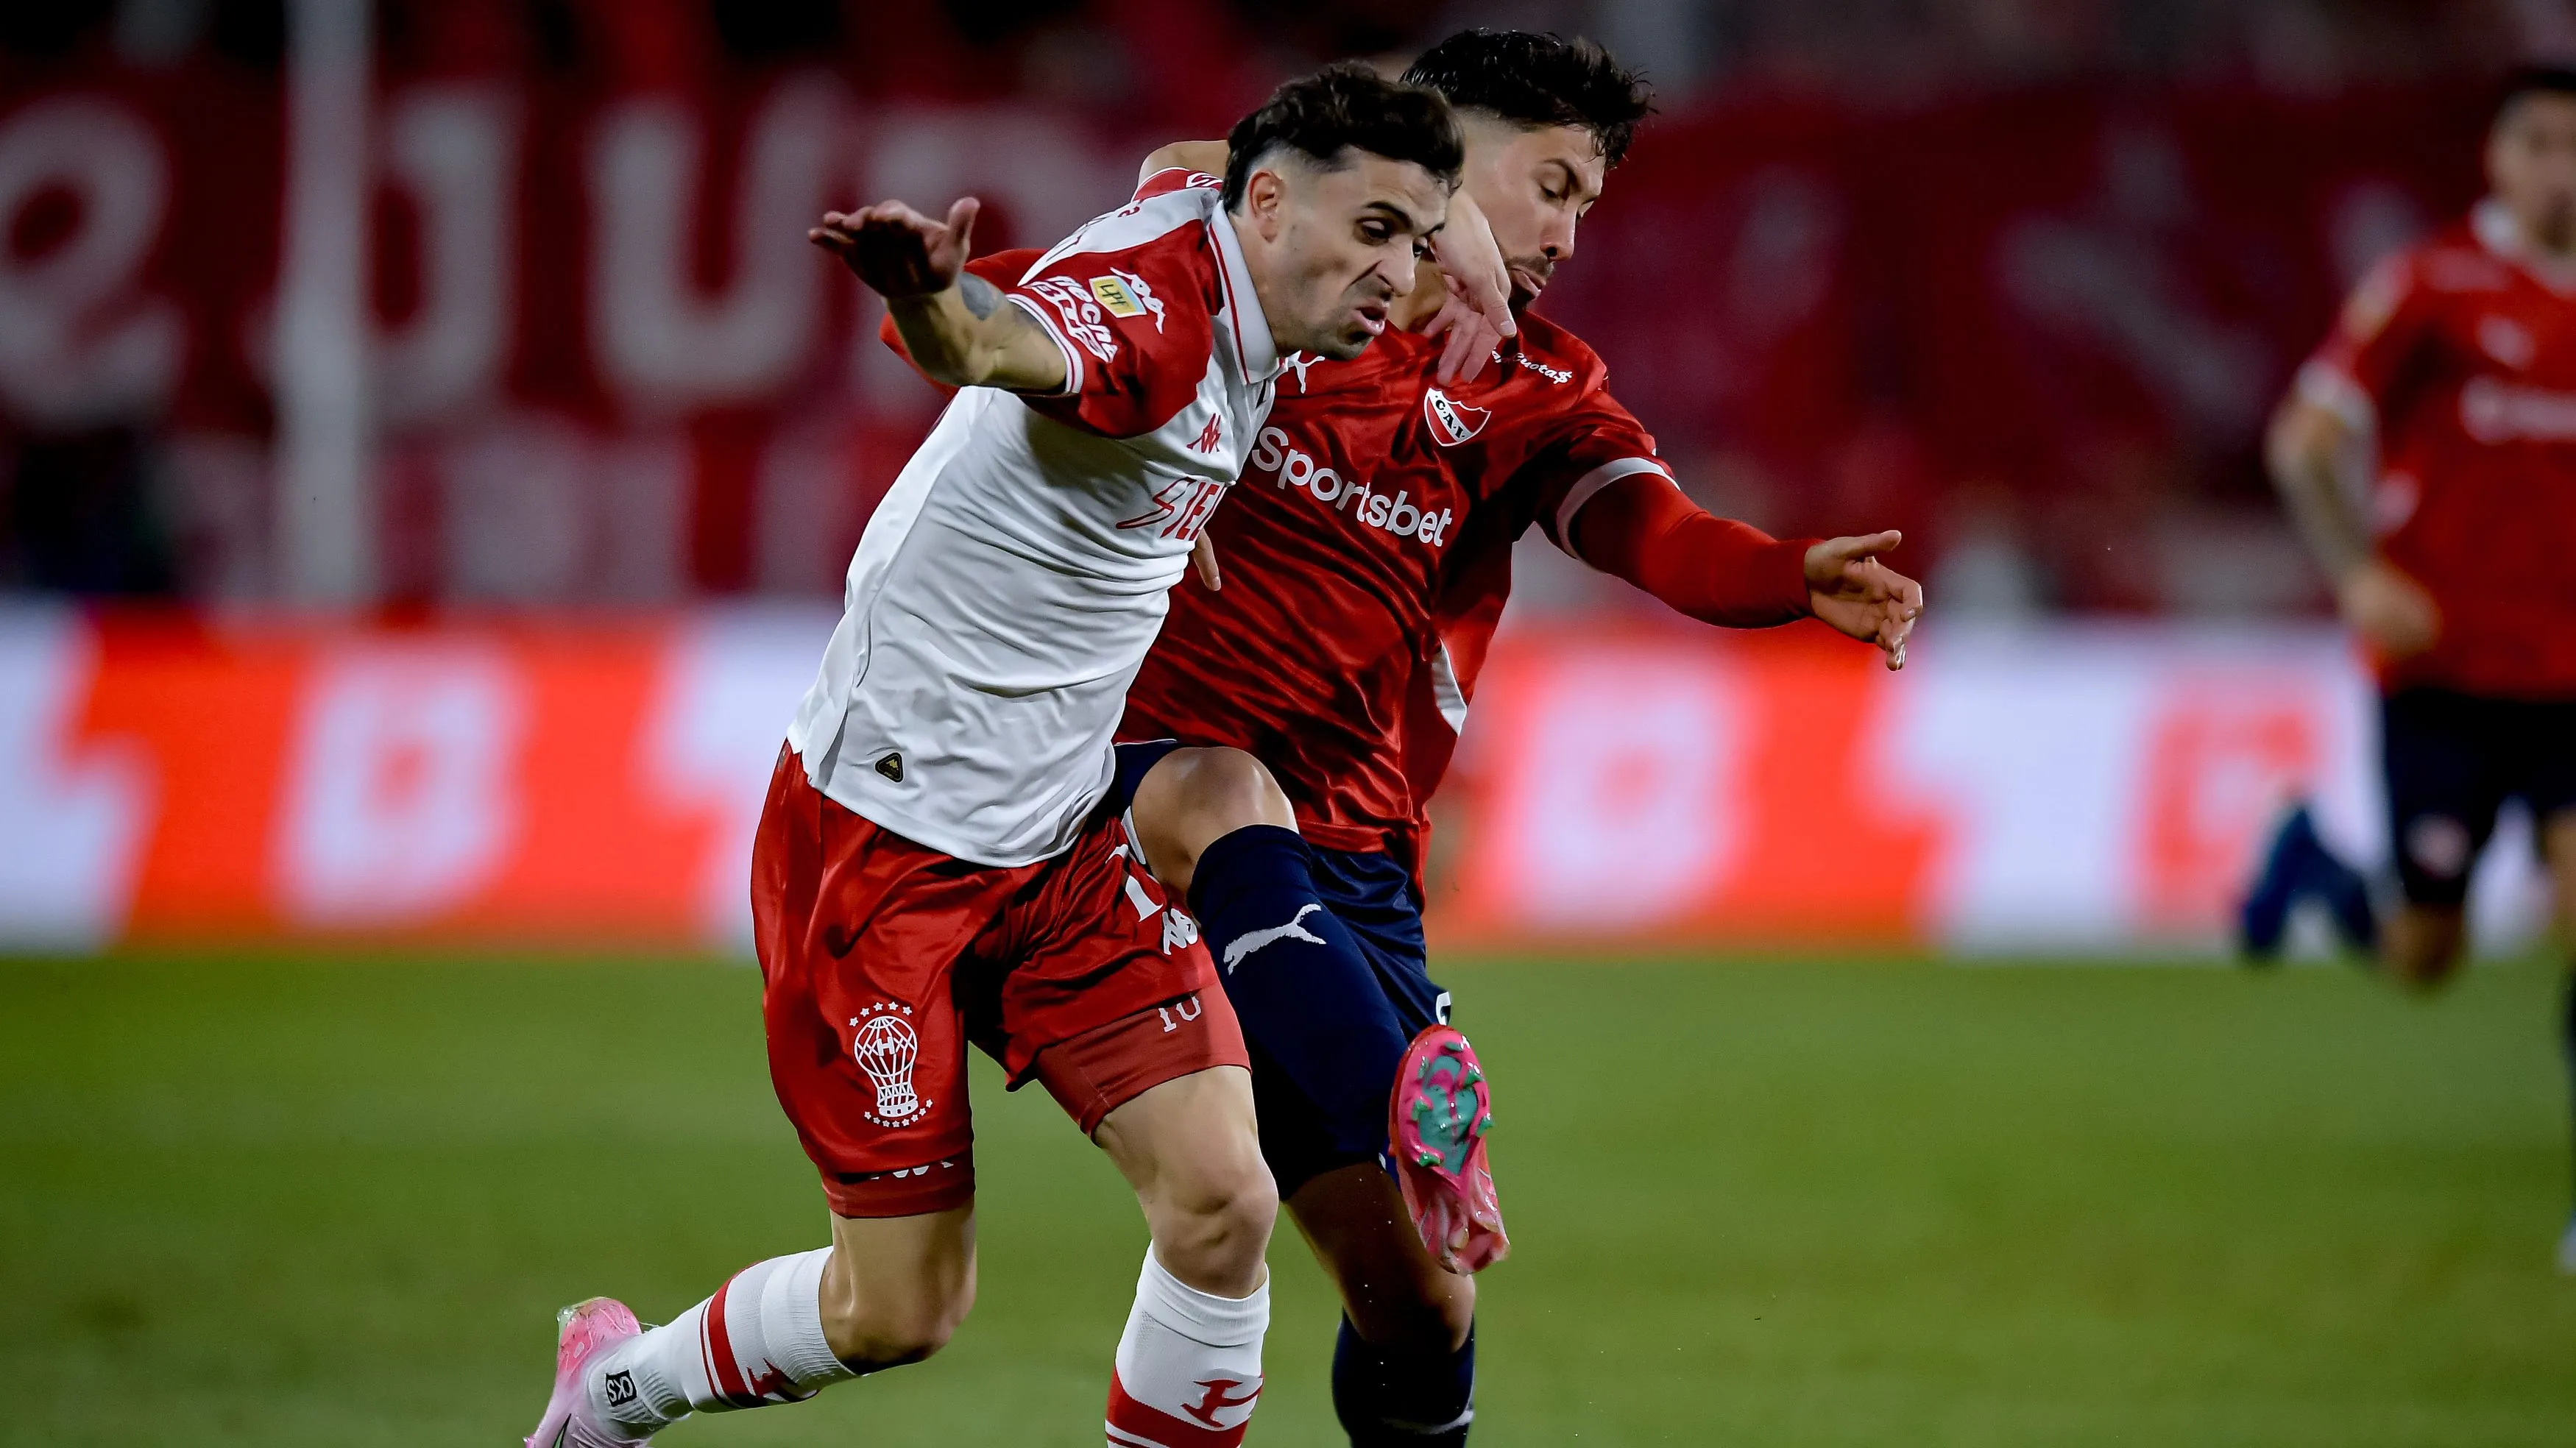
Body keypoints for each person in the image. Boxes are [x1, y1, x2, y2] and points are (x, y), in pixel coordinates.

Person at [905, 30, 1921, 1446]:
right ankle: (1393, 1090)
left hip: (1345, 853)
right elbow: (1188, 175)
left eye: (1587, 205)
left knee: (1421, 1305)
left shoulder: (1535, 386)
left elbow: (1653, 530)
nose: (1567, 234)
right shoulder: (1275, 276)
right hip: (1124, 777)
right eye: (1551, 187)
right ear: (1441, 140)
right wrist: (1434, 225)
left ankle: (1393, 1112)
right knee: (1216, 810)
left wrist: (1786, 573)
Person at [520, 65, 1464, 1448]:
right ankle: (613, 1394)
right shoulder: (1158, 323)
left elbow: (1177, 155)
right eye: (1376, 230)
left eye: (1421, 239)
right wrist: (931, 299)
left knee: (1225, 1200)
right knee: (900, 1311)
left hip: (1060, 838)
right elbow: (994, 344)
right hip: (882, 849)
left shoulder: (1225, 235)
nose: (1403, 273)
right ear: (1266, 205)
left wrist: (1179, 510)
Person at [2238, 64, 2576, 1270]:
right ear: (2496, 159)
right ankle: (2317, 868)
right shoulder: (2431, 286)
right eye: (2540, 145)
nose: (2562, 171)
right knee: (2425, 957)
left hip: (2571, 680)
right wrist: (2358, 575)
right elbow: (2302, 442)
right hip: (2444, 675)